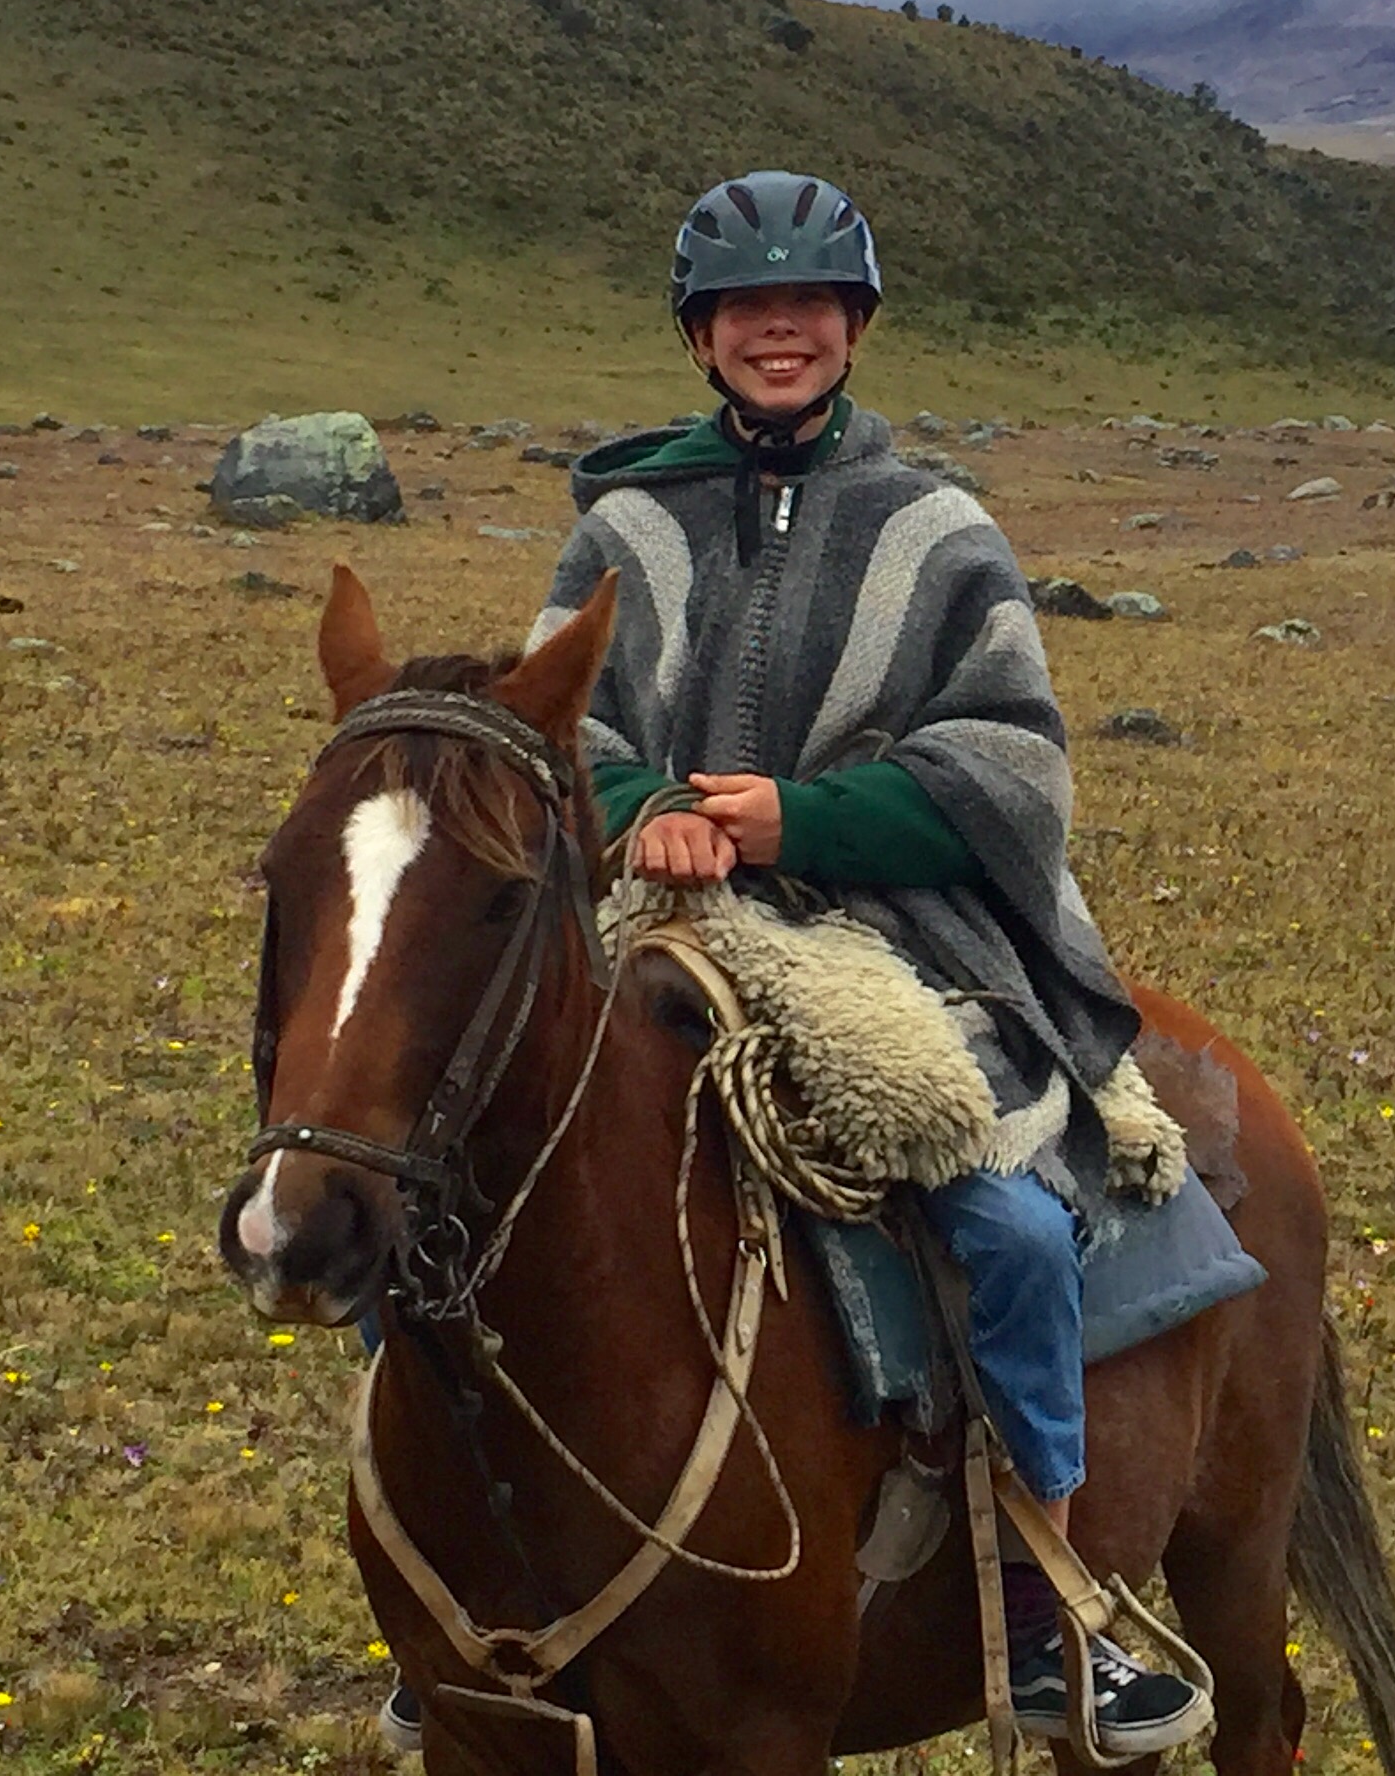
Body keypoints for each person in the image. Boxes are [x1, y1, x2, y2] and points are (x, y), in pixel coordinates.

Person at [455, 168, 1206, 1753]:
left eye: (806, 304)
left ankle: (1053, 1599)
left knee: (1001, 1220)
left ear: (852, 325)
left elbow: (1013, 769)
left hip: (892, 936)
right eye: (745, 307)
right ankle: (456, 1587)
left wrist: (801, 815)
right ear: (701, 337)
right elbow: (552, 723)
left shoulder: (939, 531)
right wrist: (647, 802)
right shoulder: (623, 528)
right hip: (651, 923)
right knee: (437, 1163)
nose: (776, 329)